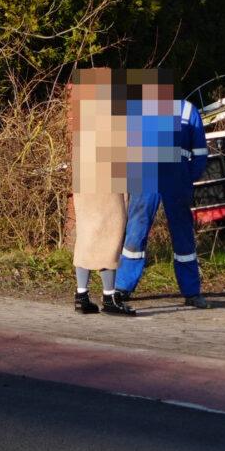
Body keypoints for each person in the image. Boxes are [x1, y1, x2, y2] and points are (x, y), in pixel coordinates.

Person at [108, 69, 208, 314]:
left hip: (175, 179)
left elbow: (200, 151)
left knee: (182, 233)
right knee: (136, 231)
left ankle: (191, 292)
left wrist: (188, 178)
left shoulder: (187, 110)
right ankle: (122, 287)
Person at [68, 67, 129, 314]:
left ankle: (81, 296)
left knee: (86, 238)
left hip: (85, 184)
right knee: (110, 237)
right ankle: (109, 297)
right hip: (107, 185)